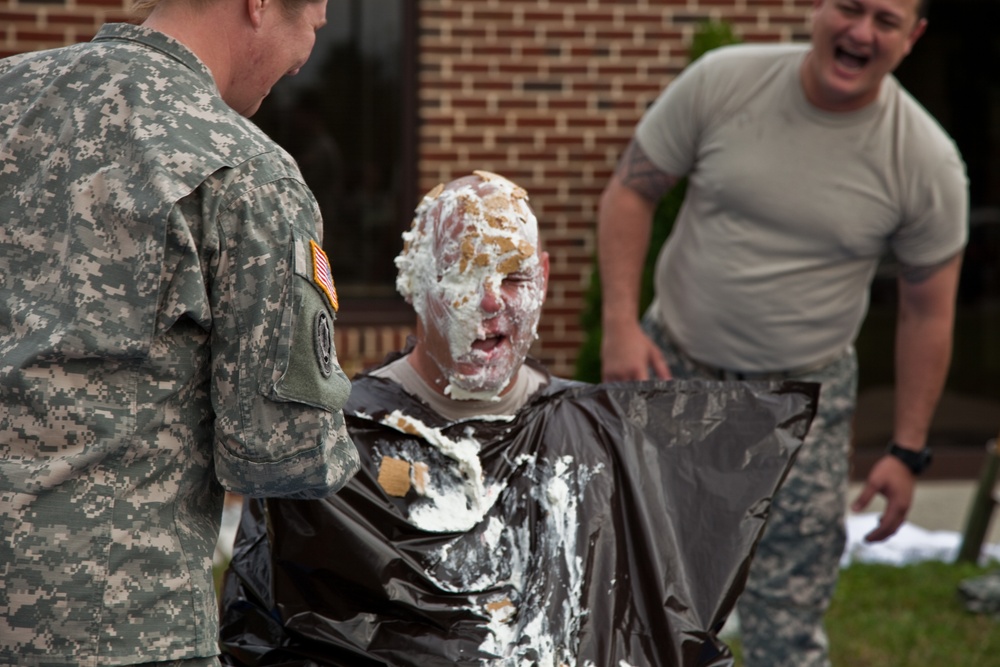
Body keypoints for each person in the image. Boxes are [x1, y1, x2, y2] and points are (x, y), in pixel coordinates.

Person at [217, 171, 820, 666]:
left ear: (546, 278)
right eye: (467, 275)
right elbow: (264, 635)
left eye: (515, 277)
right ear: (416, 282)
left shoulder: (599, 437)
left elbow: (661, 626)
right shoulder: (338, 445)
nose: (492, 300)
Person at [597, 0, 968, 664]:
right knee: (642, 587)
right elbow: (632, 190)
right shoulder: (722, 81)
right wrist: (621, 324)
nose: (860, 31)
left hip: (807, 401)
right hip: (672, 370)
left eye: (885, 20)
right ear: (818, 8)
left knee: (788, 619)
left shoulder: (927, 161)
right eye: (849, 8)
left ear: (912, 38)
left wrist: (908, 450)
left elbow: (928, 311)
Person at [0, 0, 360, 664]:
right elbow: (281, 451)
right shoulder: (248, 172)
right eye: (314, 11)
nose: (322, 29)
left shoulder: (10, 95)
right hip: (119, 627)